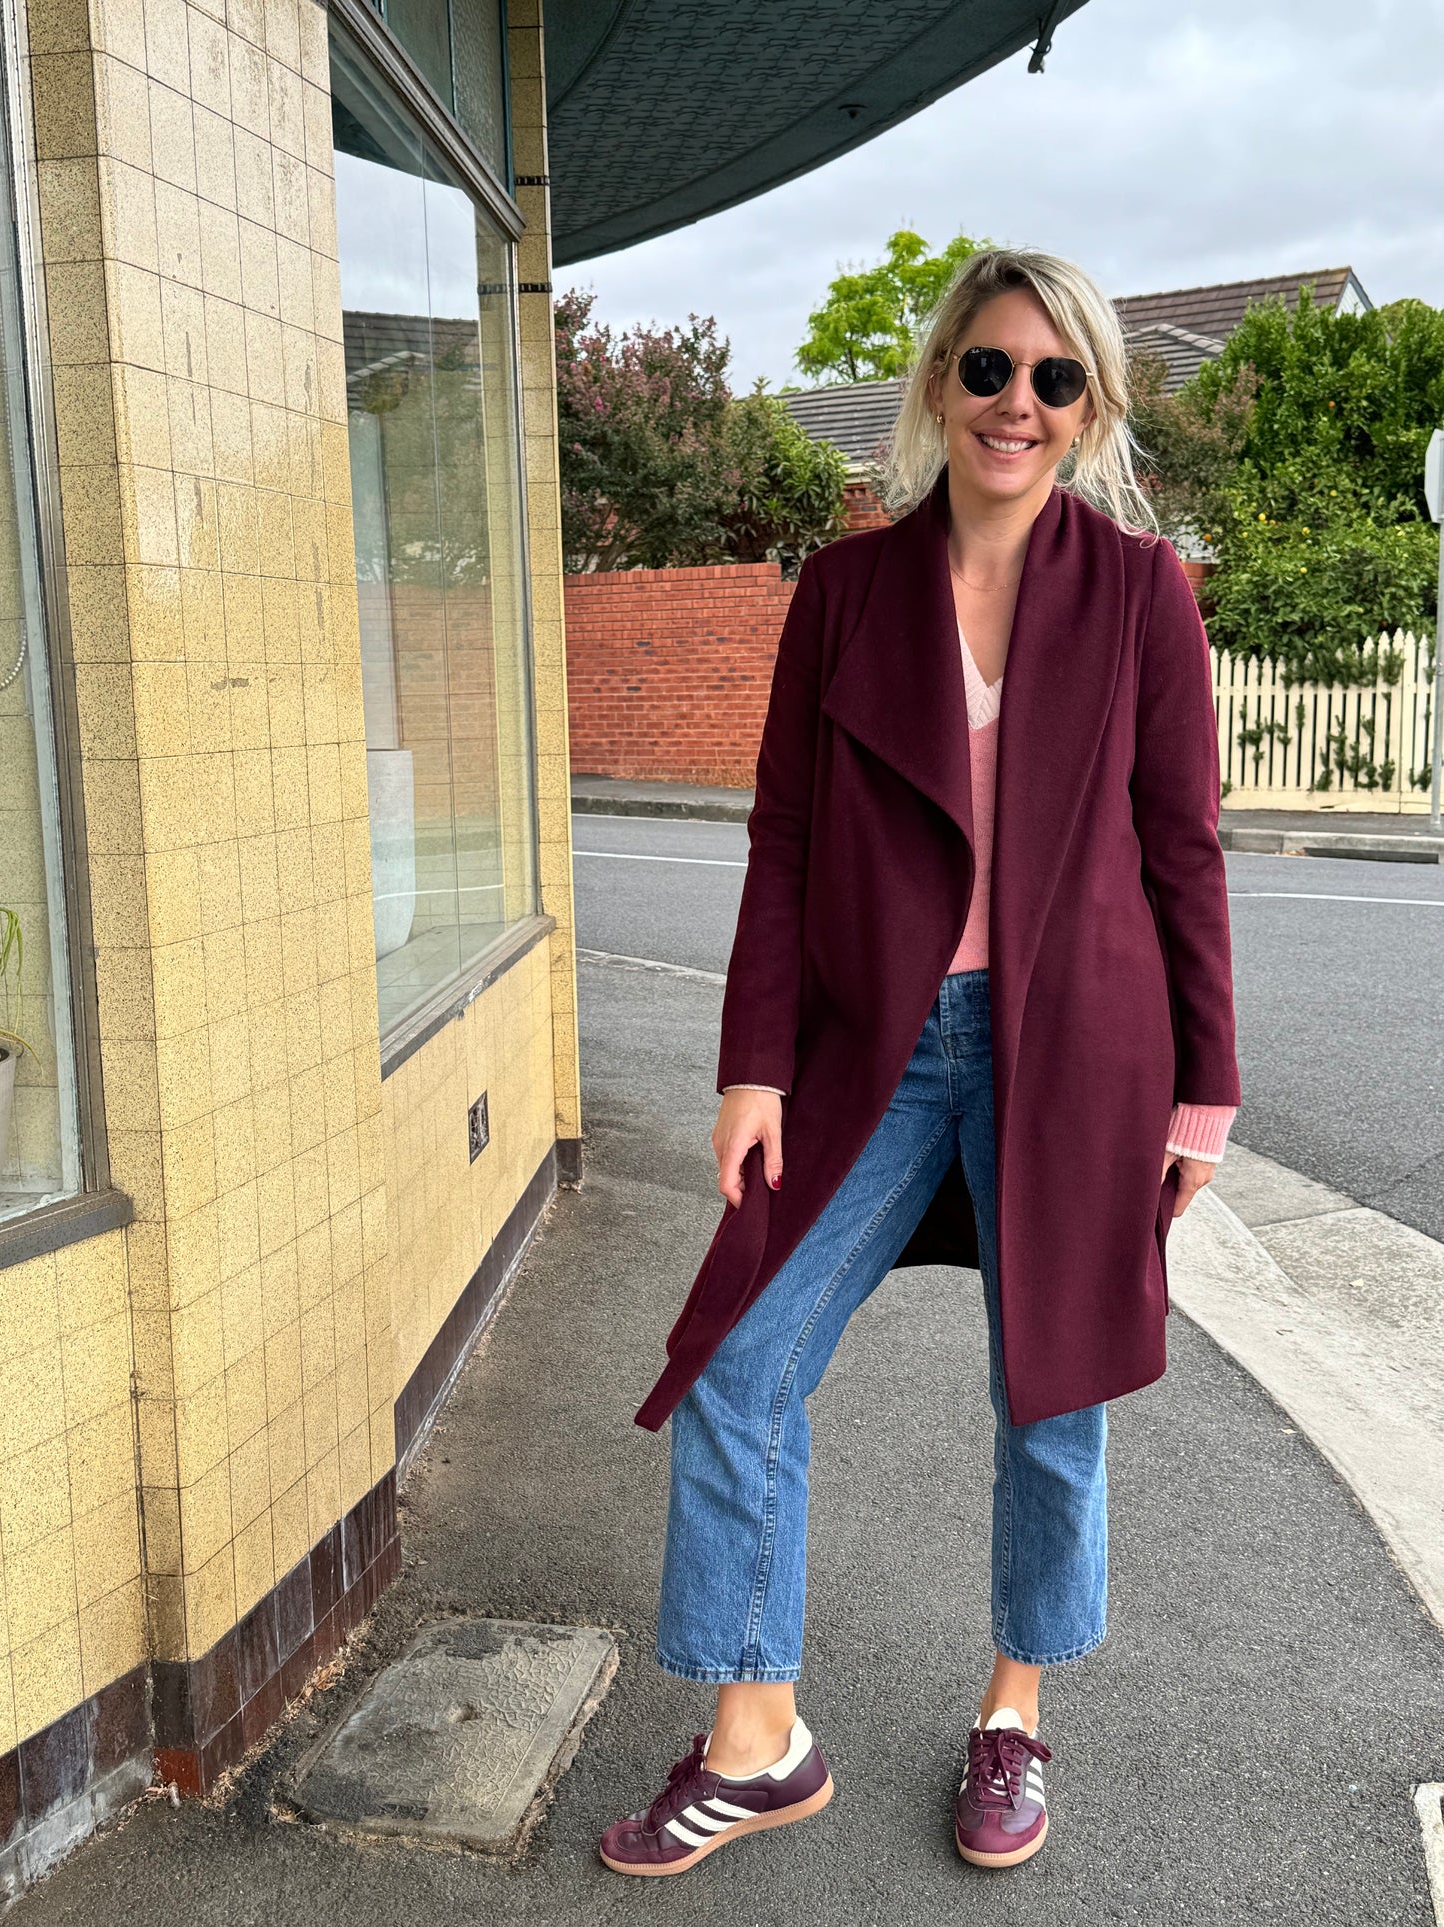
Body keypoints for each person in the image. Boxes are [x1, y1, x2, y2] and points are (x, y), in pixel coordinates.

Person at [600, 247, 1241, 1878]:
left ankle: (1013, 1715)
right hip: (870, 1053)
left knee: (1052, 1392)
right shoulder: (843, 591)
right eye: (986, 370)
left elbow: (1183, 851)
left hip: (1076, 1060)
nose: (1012, 406)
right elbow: (787, 839)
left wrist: (1204, 1088)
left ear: (1085, 406)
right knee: (739, 1365)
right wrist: (753, 1066)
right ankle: (759, 1740)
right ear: (938, 380)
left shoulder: (1141, 594)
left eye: (1050, 380)